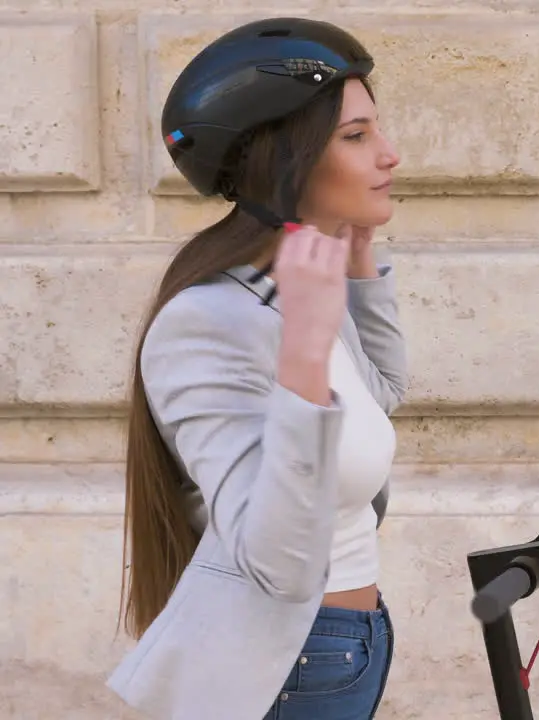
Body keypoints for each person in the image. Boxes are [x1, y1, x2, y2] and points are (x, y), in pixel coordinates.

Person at [105, 17, 407, 720]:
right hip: (294, 661)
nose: (389, 154)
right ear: (288, 159)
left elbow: (377, 401)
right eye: (356, 136)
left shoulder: (289, 296)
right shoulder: (209, 321)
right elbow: (273, 561)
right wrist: (303, 345)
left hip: (349, 640)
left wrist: (362, 275)